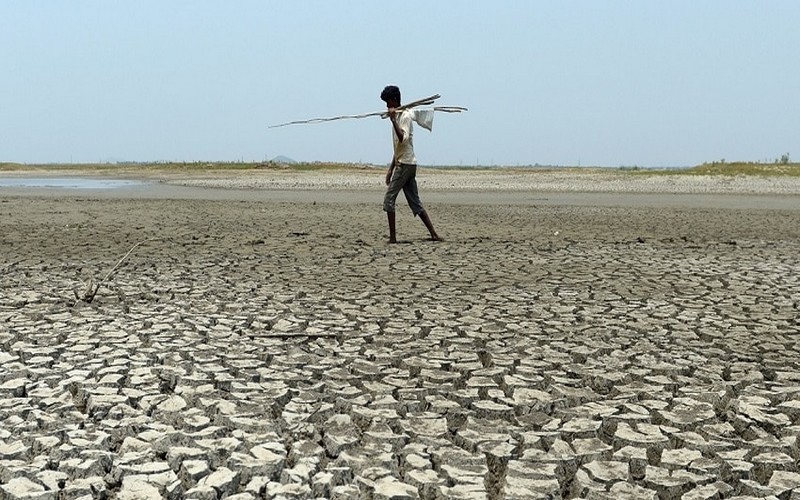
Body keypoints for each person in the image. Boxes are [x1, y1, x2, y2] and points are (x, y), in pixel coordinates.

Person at [380, 85, 442, 244]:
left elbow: (403, 139)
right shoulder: (398, 116)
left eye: (388, 103)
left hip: (406, 165)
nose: (387, 107)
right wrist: (390, 170)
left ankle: (393, 238)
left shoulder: (405, 116)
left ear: (394, 100)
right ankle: (434, 234)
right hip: (404, 163)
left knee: (389, 199)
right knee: (415, 202)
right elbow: (398, 148)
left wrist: (393, 120)